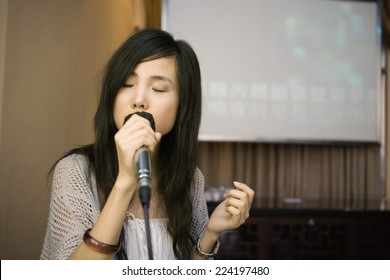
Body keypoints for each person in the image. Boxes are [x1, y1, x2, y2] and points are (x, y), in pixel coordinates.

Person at [40, 29, 254, 260]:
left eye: (158, 89)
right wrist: (125, 182)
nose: (139, 99)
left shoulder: (190, 180)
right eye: (127, 84)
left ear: (183, 105)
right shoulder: (75, 171)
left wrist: (211, 233)